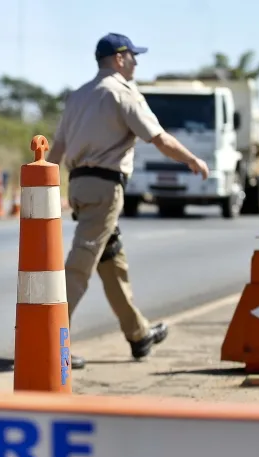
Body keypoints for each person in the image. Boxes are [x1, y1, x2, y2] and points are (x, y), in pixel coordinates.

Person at [46, 33, 209, 370]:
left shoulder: (78, 96)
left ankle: (139, 335)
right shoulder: (122, 92)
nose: (136, 62)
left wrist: (43, 187)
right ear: (120, 58)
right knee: (81, 263)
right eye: (134, 56)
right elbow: (158, 137)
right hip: (105, 188)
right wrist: (192, 159)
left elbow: (57, 150)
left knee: (112, 260)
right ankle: (49, 341)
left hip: (79, 186)